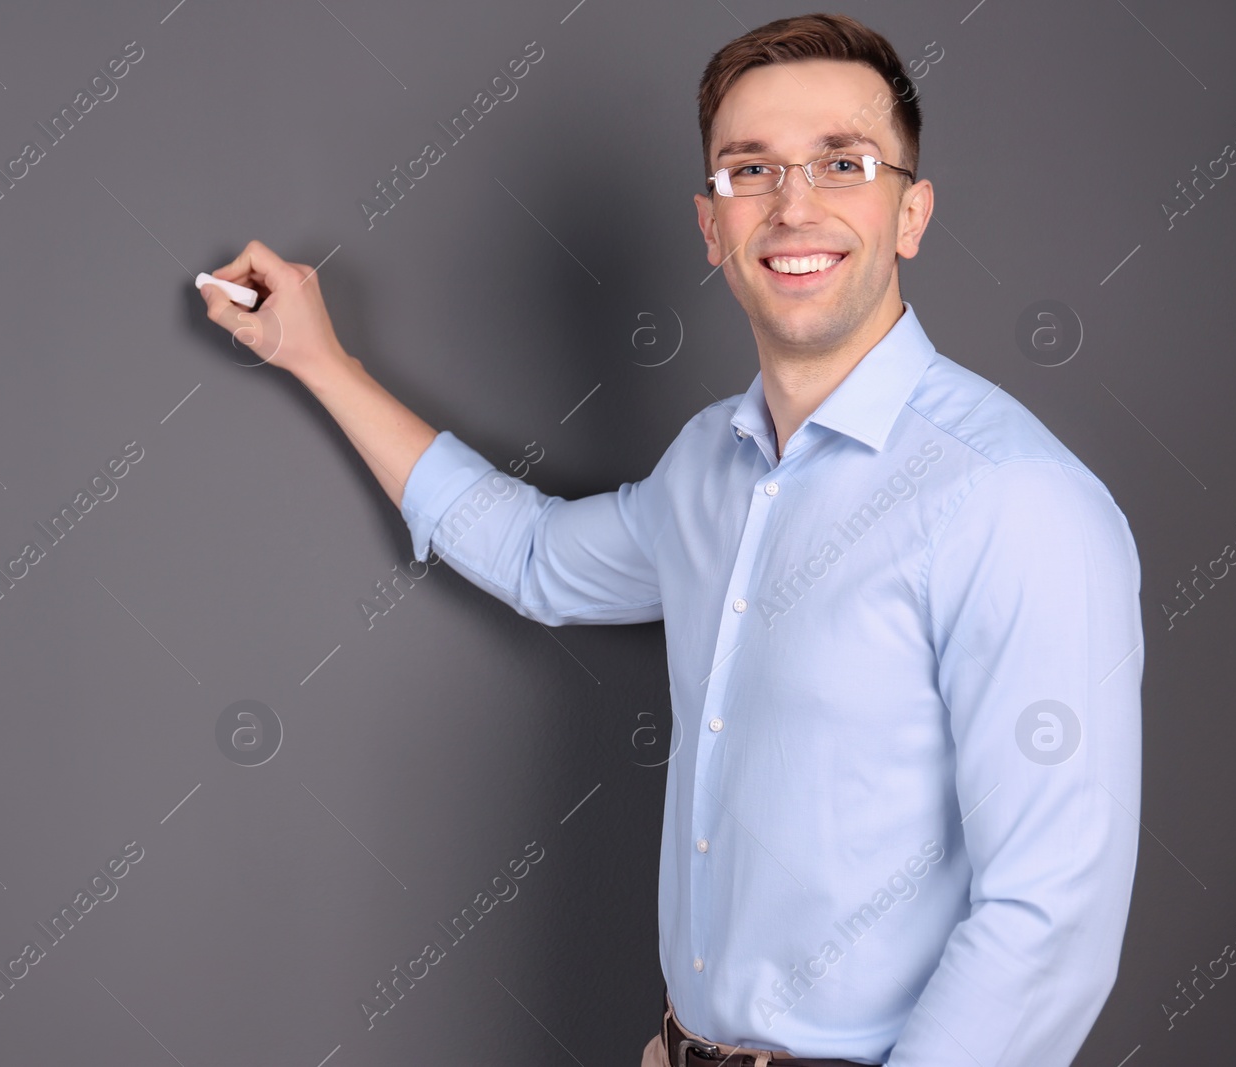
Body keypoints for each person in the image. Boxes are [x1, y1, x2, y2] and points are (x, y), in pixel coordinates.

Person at [196, 13, 1143, 1066]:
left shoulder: (1015, 499)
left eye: (842, 162)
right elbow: (537, 556)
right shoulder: (709, 465)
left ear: (909, 211)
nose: (794, 205)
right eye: (751, 170)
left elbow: (1047, 923)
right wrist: (320, 360)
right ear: (710, 225)